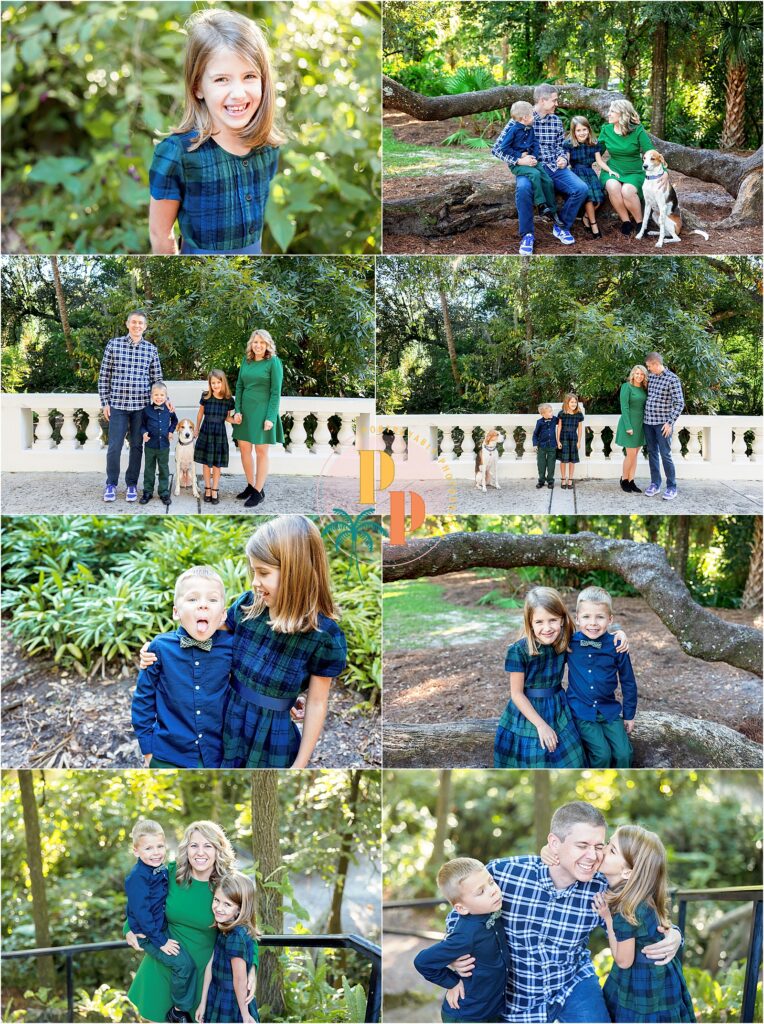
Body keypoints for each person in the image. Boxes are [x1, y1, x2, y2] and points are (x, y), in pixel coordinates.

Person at [447, 802, 683, 1024]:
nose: (593, 856)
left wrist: (673, 934)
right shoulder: (504, 874)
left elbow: (638, 916)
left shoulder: (603, 886)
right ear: (554, 843)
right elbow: (459, 916)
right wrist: (456, 956)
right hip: (518, 995)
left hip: (573, 984)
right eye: (582, 846)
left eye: (599, 847)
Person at [149, 9, 284, 255]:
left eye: (249, 76)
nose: (238, 93)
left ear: (264, 81)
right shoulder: (177, 155)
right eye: (222, 79)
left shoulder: (267, 148)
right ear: (198, 86)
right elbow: (160, 235)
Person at [221, 515, 347, 768]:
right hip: (226, 718)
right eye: (254, 571)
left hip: (272, 737)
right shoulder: (247, 607)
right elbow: (207, 643)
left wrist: (299, 765)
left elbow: (316, 701)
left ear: (295, 572)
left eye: (264, 573)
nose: (255, 582)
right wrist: (158, 649)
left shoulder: (323, 635)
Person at [126, 822, 256, 1023]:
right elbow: (140, 903)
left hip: (203, 978)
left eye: (208, 846)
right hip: (161, 970)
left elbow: (247, 928)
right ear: (186, 848)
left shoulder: (228, 885)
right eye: (194, 845)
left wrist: (252, 968)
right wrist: (128, 929)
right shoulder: (168, 873)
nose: (200, 852)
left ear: (218, 849)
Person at [132, 567, 233, 768]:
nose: (203, 605)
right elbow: (143, 700)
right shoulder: (160, 648)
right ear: (176, 612)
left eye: (212, 600)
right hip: (168, 753)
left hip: (218, 754)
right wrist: (148, 750)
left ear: (222, 615)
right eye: (193, 599)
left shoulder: (232, 646)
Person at [593, 826, 696, 1023]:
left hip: (643, 986)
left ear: (627, 872)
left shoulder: (626, 910)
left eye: (612, 850)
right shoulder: (640, 895)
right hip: (660, 976)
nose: (603, 849)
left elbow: (623, 961)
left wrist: (607, 917)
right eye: (608, 844)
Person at [494, 586, 586, 769]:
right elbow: (517, 694)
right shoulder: (519, 650)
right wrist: (541, 725)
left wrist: (619, 635)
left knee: (571, 757)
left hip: (558, 705)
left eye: (553, 620)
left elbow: (596, 637)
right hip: (529, 709)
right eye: (539, 622)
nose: (547, 628)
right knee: (535, 754)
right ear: (530, 622)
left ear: (562, 619)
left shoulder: (565, 638)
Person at [492, 84, 588, 254]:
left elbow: (562, 147)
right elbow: (497, 148)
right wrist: (518, 161)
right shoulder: (522, 117)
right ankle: (527, 235)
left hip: (553, 167)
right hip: (530, 166)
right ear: (543, 101)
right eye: (554, 100)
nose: (557, 104)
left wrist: (563, 158)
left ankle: (561, 227)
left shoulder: (556, 121)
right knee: (523, 189)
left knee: (581, 189)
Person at [413, 858, 510, 1023]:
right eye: (480, 892)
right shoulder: (465, 935)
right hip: (467, 1015)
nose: (493, 891)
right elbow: (423, 962)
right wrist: (452, 982)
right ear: (462, 908)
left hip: (491, 1010)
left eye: (491, 882)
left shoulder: (490, 910)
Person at [124, 819, 198, 1024]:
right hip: (151, 935)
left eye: (159, 846)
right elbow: (141, 912)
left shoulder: (163, 869)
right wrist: (161, 942)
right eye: (148, 848)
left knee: (185, 965)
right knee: (183, 965)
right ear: (136, 851)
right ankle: (179, 1011)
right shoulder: (137, 877)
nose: (156, 852)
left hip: (160, 930)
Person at [567, 586, 637, 768]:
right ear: (577, 619)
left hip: (609, 710)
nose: (593, 623)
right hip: (580, 710)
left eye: (600, 617)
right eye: (586, 617)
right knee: (602, 754)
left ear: (610, 619)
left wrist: (629, 715)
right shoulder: (568, 643)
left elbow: (628, 682)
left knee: (624, 754)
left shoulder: (617, 645)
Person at [98, 309, 164, 503]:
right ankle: (111, 483)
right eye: (133, 322)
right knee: (114, 447)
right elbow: (104, 376)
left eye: (140, 323)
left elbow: (157, 378)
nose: (137, 326)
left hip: (141, 407)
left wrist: (163, 400)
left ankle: (131, 484)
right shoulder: (114, 344)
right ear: (127, 324)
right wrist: (105, 403)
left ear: (145, 326)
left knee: (136, 446)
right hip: (117, 405)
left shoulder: (151, 349)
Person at [196, 872, 260, 1024]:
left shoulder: (236, 936)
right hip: (216, 994)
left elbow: (239, 980)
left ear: (240, 909)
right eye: (216, 900)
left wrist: (245, 1016)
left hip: (233, 1003)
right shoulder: (224, 927)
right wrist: (203, 1003)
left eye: (227, 904)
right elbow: (211, 965)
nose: (218, 908)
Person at [231, 329, 284, 509]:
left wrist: (271, 417)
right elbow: (239, 387)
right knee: (245, 450)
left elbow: (276, 392)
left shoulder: (273, 362)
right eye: (255, 342)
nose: (258, 345)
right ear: (251, 344)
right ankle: (251, 485)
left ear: (267, 345)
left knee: (261, 452)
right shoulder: (246, 361)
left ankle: (259, 491)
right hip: (245, 412)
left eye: (262, 342)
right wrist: (237, 410)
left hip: (263, 413)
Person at [492, 101, 562, 229]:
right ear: (525, 117)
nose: (534, 117)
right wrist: (519, 157)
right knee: (535, 174)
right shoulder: (513, 130)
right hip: (517, 164)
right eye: (531, 115)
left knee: (548, 180)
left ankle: (551, 211)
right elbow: (503, 148)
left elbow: (535, 143)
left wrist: (533, 157)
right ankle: (541, 205)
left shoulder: (530, 128)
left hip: (532, 160)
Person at [595, 100, 653, 236]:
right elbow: (597, 151)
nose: (608, 114)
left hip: (635, 171)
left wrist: (664, 172)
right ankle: (626, 222)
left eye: (612, 111)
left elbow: (650, 152)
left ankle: (640, 224)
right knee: (612, 186)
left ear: (622, 114)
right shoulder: (606, 129)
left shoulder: (637, 130)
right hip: (613, 169)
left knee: (627, 190)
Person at [643, 352, 685, 501]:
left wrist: (670, 423)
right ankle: (655, 484)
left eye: (649, 366)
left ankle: (672, 487)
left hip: (663, 424)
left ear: (655, 364)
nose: (648, 369)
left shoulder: (672, 379)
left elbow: (679, 403)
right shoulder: (652, 377)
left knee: (665, 454)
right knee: (652, 453)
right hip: (648, 422)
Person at [194, 370, 236, 505]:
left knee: (217, 465)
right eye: (213, 383)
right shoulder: (205, 396)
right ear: (209, 384)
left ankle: (215, 490)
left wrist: (236, 421)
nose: (216, 385)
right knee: (206, 464)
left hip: (219, 434)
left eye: (218, 382)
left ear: (223, 382)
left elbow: (228, 417)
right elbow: (200, 414)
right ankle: (207, 488)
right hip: (206, 432)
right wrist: (196, 428)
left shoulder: (228, 400)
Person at [563, 116, 604, 239]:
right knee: (589, 198)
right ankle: (593, 225)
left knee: (600, 199)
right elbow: (566, 161)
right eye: (578, 130)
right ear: (573, 132)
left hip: (589, 172)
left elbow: (600, 162)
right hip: (576, 173)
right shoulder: (568, 144)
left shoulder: (593, 143)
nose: (582, 133)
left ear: (589, 130)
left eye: (584, 129)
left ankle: (585, 217)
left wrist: (611, 170)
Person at [140, 382, 178, 506]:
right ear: (151, 395)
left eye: (162, 395)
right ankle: (147, 491)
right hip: (150, 445)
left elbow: (175, 421)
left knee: (164, 469)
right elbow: (142, 425)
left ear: (166, 396)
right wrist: (144, 433)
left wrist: (171, 431)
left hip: (164, 445)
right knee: (149, 469)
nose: (159, 397)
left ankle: (164, 492)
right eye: (156, 394)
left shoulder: (169, 409)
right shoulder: (146, 410)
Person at [614, 365, 648, 493]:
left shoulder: (644, 389)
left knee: (635, 455)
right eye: (637, 373)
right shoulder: (626, 387)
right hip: (629, 424)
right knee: (630, 455)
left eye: (642, 374)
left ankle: (631, 480)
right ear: (632, 374)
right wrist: (628, 426)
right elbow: (625, 407)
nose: (639, 376)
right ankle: (624, 479)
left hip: (640, 425)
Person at [556, 393, 584, 489]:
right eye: (572, 402)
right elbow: (559, 428)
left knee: (572, 460)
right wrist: (558, 441)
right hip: (563, 438)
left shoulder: (579, 415)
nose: (574, 404)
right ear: (567, 402)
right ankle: (563, 479)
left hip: (573, 438)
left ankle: (570, 479)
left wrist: (579, 441)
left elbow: (580, 429)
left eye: (575, 402)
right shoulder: (562, 413)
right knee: (563, 460)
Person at [532, 403, 558, 490]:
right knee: (541, 464)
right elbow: (535, 434)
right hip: (541, 446)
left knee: (551, 464)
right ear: (543, 414)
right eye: (549, 412)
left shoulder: (555, 419)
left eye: (551, 411)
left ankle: (550, 481)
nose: (552, 413)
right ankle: (541, 481)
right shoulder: (539, 422)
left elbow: (563, 420)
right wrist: (535, 444)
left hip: (552, 446)